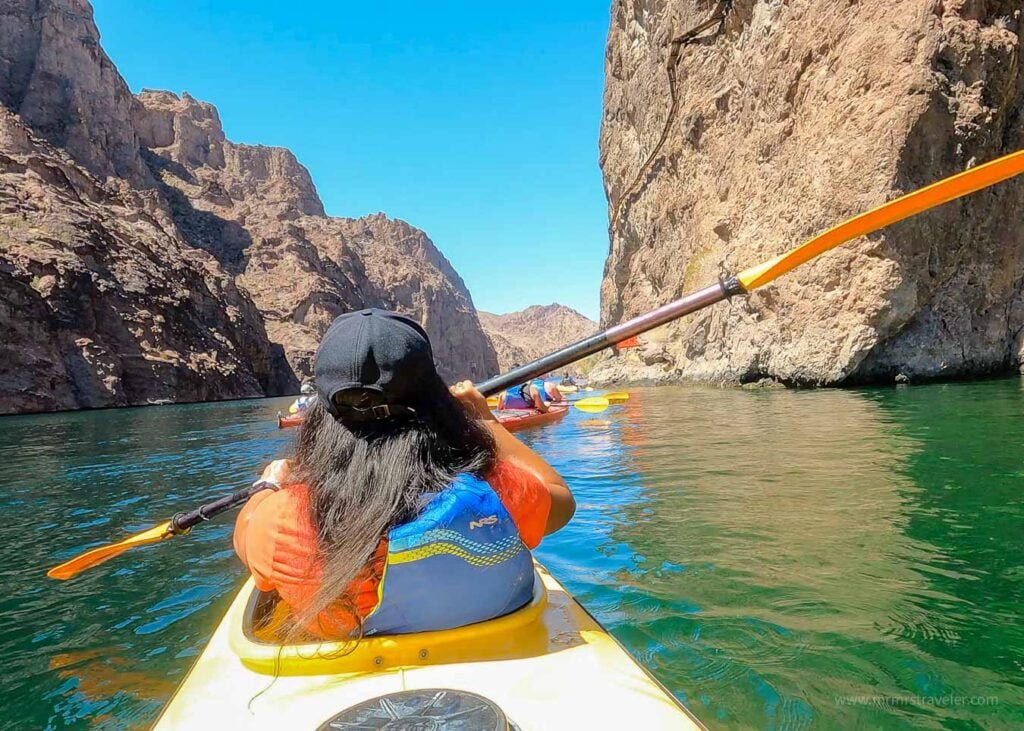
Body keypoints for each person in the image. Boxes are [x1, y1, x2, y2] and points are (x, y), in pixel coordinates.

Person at [233, 309, 575, 639]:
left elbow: (245, 534)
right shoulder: (499, 490)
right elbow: (560, 499)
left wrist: (268, 484)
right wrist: (484, 420)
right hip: (492, 647)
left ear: (322, 417)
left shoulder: (281, 519)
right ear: (436, 402)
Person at [498, 370, 563, 412]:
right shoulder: (533, 390)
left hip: (507, 417)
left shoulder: (503, 393)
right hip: (528, 419)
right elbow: (542, 409)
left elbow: (499, 410)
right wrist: (548, 405)